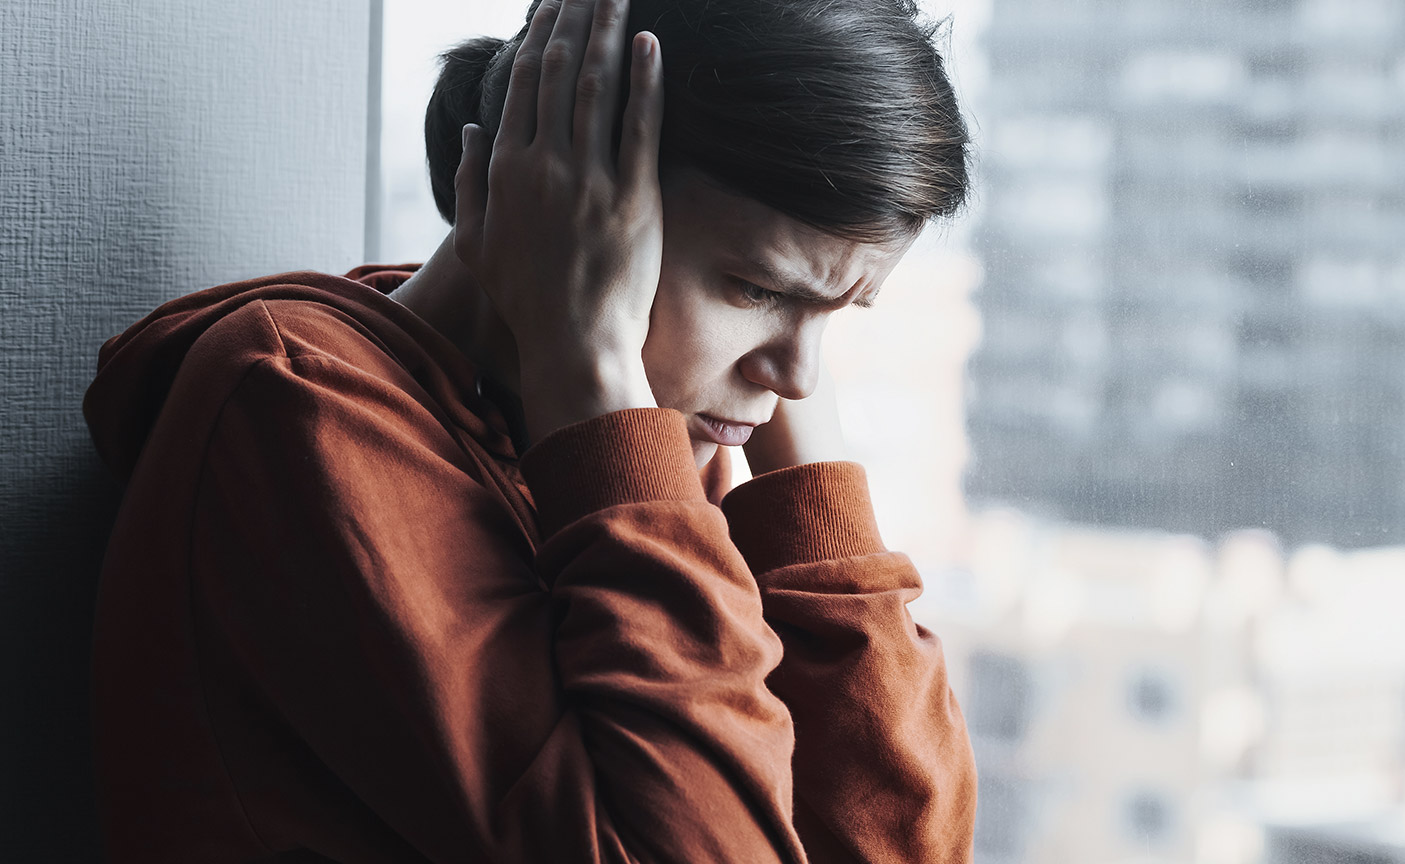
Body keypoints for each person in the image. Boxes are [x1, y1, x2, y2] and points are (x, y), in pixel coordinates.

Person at [81, 0, 974, 859]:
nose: (797, 379)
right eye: (756, 289)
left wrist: (788, 458)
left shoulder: (643, 429)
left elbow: (897, 846)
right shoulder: (298, 413)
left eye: (844, 312)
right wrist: (591, 364)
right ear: (559, 201)